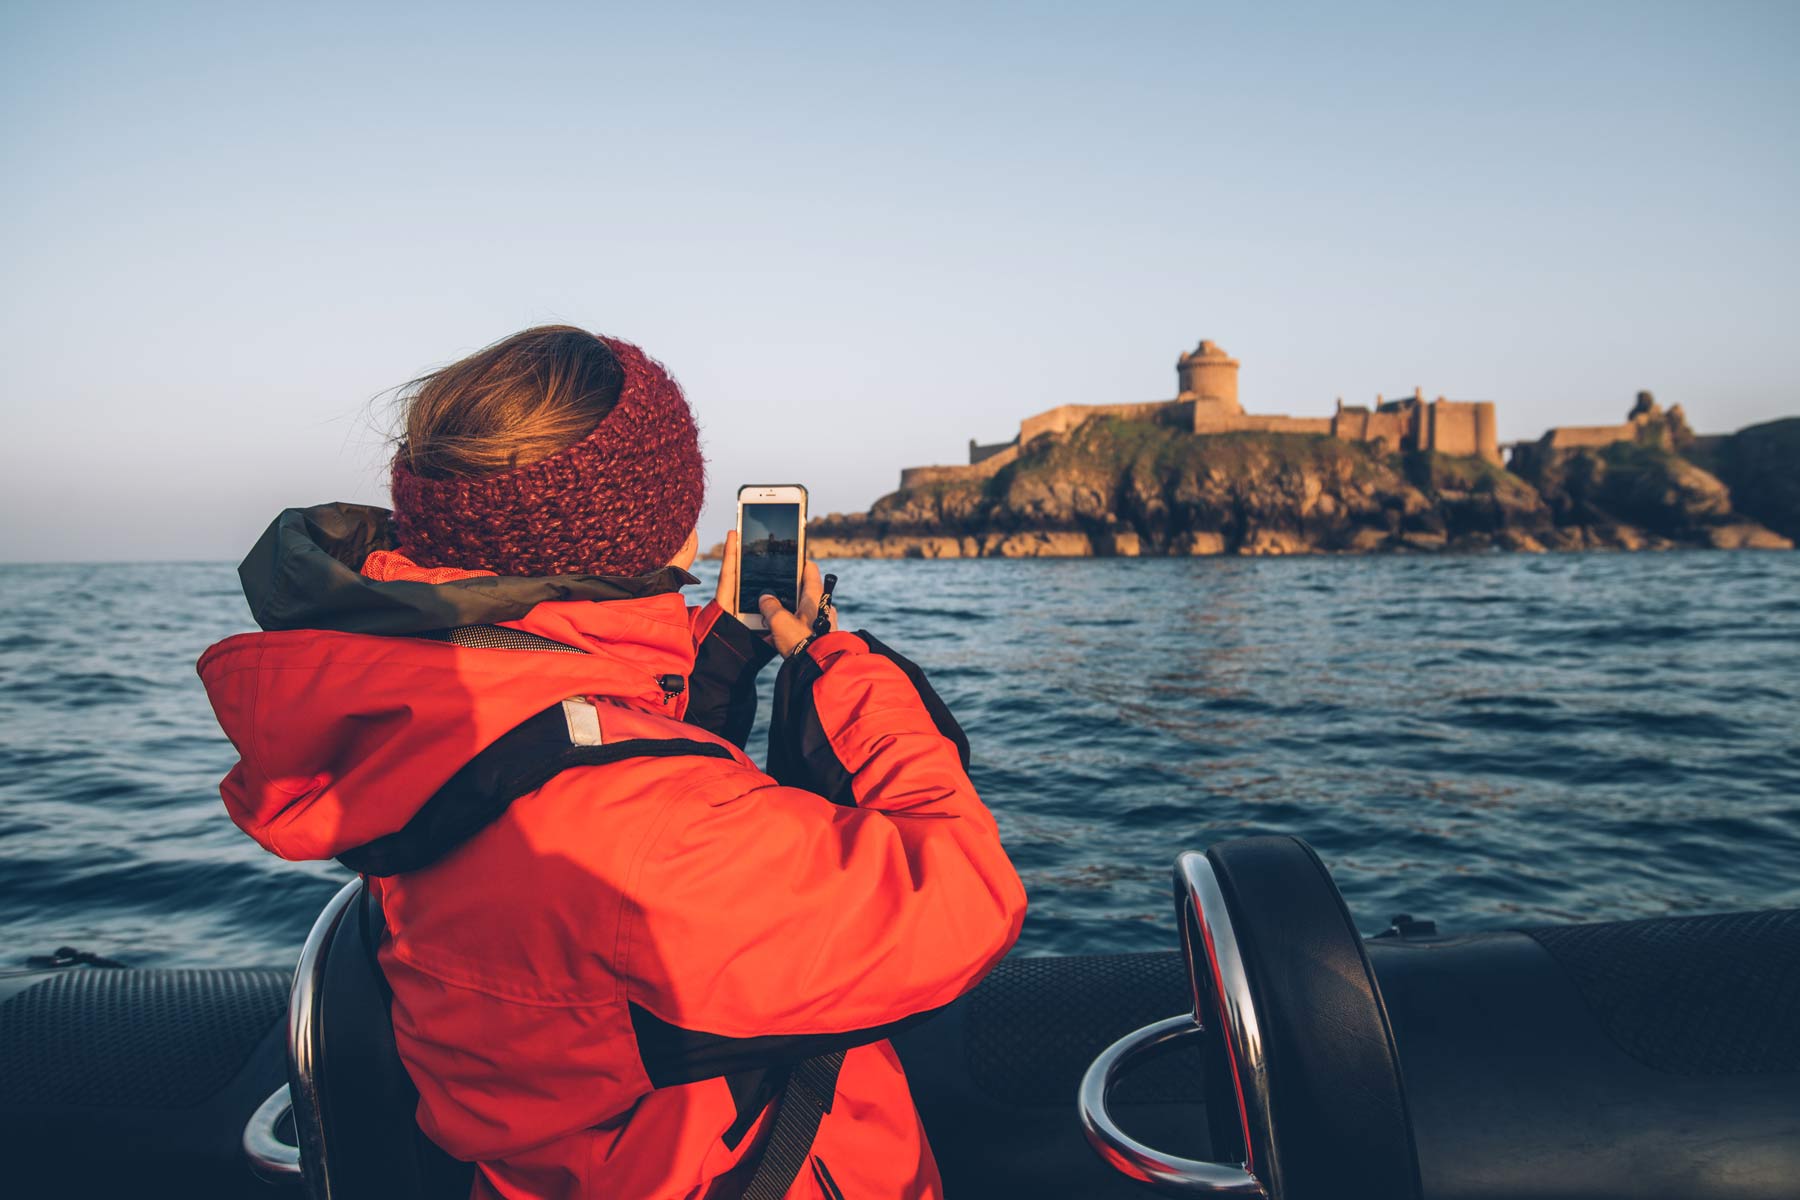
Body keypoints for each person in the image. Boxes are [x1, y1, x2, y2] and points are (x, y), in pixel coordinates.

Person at [197, 326, 1026, 1199]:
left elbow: (583, 737)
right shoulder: (653, 833)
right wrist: (840, 662)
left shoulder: (428, 722)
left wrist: (730, 645)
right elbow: (964, 898)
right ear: (659, 537)